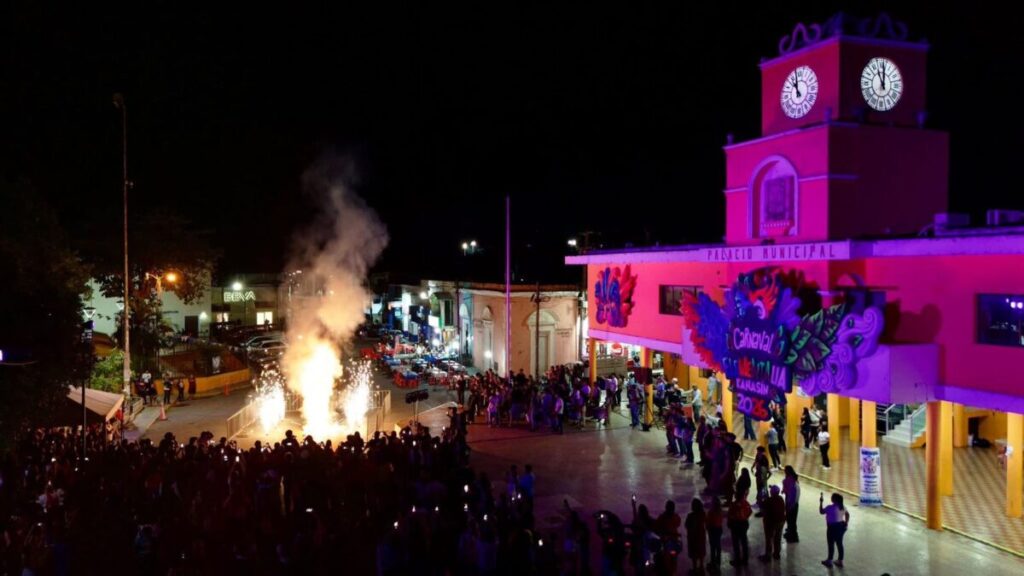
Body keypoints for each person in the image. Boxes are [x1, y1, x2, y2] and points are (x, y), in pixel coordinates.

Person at [819, 492, 850, 568]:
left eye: (832, 497)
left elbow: (821, 511)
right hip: (841, 527)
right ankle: (840, 561)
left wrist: (821, 502)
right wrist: (846, 522)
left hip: (832, 528)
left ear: (834, 499)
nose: (831, 498)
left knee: (831, 544)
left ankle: (829, 560)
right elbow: (847, 514)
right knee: (839, 544)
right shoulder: (842, 507)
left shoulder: (830, 507)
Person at [758, 485, 786, 562]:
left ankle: (768, 556)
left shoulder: (769, 500)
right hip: (781, 521)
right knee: (778, 537)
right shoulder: (781, 499)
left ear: (772, 492)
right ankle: (777, 554)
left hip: (771, 522)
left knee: (769, 538)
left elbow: (761, 505)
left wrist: (761, 497)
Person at [727, 492, 752, 567]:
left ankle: (737, 560)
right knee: (744, 541)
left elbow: (730, 515)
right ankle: (745, 559)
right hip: (744, 524)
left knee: (736, 543)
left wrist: (731, 522)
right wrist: (745, 517)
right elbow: (750, 512)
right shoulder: (746, 503)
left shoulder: (733, 505)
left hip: (736, 525)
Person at [685, 498, 706, 574]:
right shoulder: (703, 514)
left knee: (694, 553)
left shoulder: (690, 516)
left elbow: (686, 525)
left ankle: (694, 568)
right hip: (701, 536)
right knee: (701, 552)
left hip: (693, 537)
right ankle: (701, 566)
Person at [782, 466, 801, 543]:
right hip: (795, 504)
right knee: (792, 520)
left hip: (791, 503)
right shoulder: (795, 481)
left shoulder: (788, 481)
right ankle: (791, 534)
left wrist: (789, 506)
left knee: (790, 520)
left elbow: (790, 494)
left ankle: (792, 536)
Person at [706, 497, 724, 573]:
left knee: (713, 547)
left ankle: (713, 563)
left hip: (712, 530)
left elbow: (708, 521)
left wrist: (707, 528)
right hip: (719, 529)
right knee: (718, 547)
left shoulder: (710, 512)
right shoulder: (720, 511)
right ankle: (718, 563)